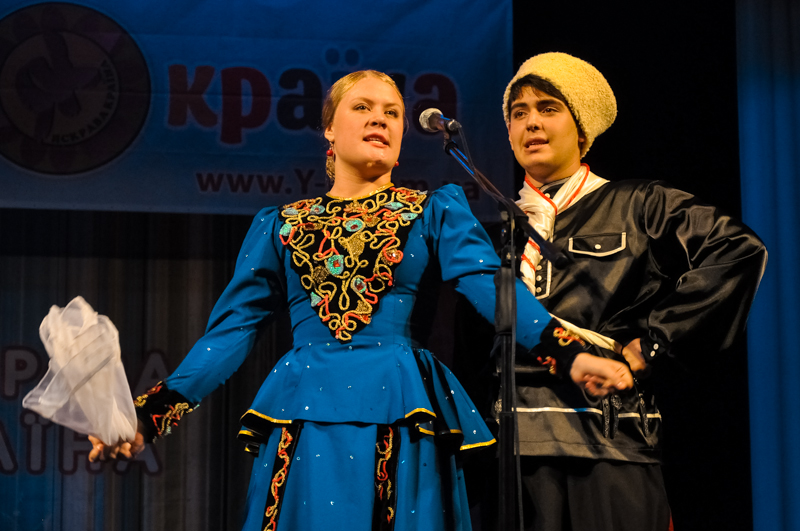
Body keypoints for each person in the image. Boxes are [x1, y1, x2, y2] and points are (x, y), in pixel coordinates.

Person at [87, 69, 633, 531]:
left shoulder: (435, 209)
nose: (380, 119)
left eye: (392, 113)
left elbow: (492, 287)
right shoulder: (279, 224)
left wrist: (569, 353)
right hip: (304, 413)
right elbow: (229, 333)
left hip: (402, 408)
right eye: (363, 107)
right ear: (329, 127)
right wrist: (148, 417)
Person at [501, 52, 767, 531]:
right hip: (513, 446)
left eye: (548, 108)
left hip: (611, 437)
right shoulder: (494, 230)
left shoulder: (639, 203)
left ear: (582, 130)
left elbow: (737, 251)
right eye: (519, 113)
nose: (531, 123)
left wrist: (656, 342)